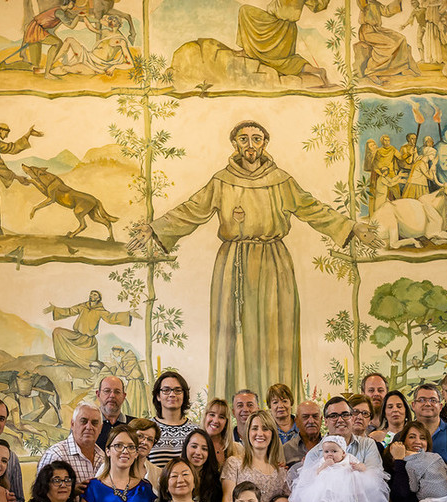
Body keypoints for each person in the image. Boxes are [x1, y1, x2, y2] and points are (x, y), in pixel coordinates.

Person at [130, 121, 376, 401]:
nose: (250, 145)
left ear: (264, 144)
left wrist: (351, 226)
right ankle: (233, 406)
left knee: (275, 335)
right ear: (235, 144)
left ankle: (279, 405)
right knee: (233, 337)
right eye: (243, 139)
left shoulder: (281, 180)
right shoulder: (222, 180)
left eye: (256, 139)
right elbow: (192, 209)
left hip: (273, 263)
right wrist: (156, 227)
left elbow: (312, 208)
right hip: (233, 263)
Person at [289, 435, 389, 502]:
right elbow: (317, 473)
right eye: (326, 451)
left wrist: (358, 467)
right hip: (328, 487)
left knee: (353, 495)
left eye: (334, 451)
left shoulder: (349, 458)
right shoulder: (323, 461)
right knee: (325, 497)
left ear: (343, 452)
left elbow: (362, 466)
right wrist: (325, 465)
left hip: (347, 485)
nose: (330, 454)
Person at [235, 0, 333, 85]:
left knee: (245, 10)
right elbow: (318, 5)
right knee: (285, 60)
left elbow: (318, 5)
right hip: (284, 28)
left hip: (279, 27)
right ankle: (319, 71)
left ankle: (247, 51)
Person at [221, 410, 288, 502]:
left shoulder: (281, 471)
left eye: (265, 429)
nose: (260, 433)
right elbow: (228, 498)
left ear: (272, 434)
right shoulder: (234, 464)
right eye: (255, 428)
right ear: (248, 432)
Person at [47, 291, 134, 370]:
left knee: (91, 366)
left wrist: (128, 314)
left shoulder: (100, 310)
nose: (92, 295)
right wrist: (55, 309)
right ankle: (63, 361)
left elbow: (111, 318)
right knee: (57, 332)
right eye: (91, 294)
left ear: (98, 298)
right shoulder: (83, 306)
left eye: (94, 294)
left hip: (88, 342)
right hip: (76, 336)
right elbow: (70, 311)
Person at [148, 371, 194, 467]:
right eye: (166, 390)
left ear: (184, 395)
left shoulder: (195, 431)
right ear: (158, 396)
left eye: (178, 390)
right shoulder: (147, 430)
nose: (172, 394)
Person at [182, 429, 224, 502]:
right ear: (185, 447)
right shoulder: (174, 476)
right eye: (194, 446)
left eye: (204, 449)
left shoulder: (216, 481)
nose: (198, 452)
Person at [203, 398, 243, 467]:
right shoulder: (194, 447)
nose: (215, 421)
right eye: (212, 415)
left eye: (221, 417)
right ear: (205, 417)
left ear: (226, 423)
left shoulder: (237, 449)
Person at [283, 400, 323, 465]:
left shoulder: (332, 446)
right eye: (305, 417)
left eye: (315, 416)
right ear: (296, 421)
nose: (311, 421)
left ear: (321, 420)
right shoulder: (286, 449)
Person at [96, 375, 131, 449]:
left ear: (124, 396)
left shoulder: (133, 425)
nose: (112, 395)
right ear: (98, 394)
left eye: (117, 392)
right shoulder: (88, 425)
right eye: (107, 391)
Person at [128, 418, 163, 488]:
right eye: (140, 436)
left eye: (150, 439)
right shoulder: (111, 467)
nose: (144, 442)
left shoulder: (157, 473)